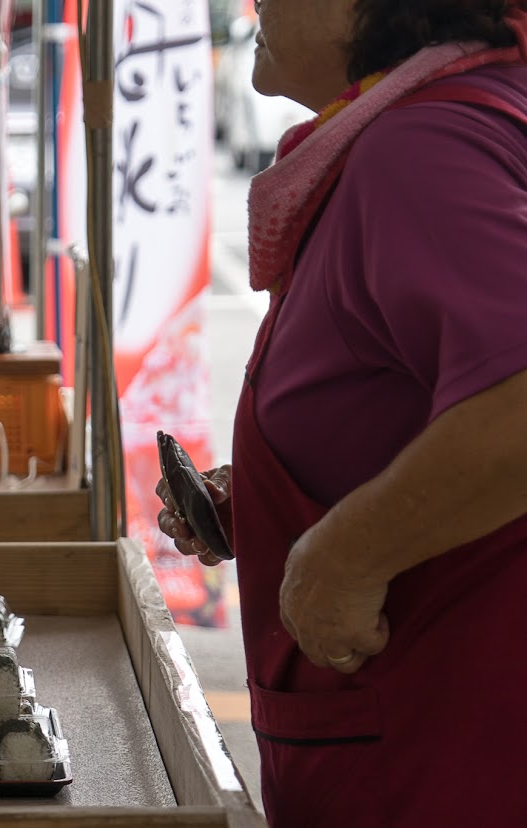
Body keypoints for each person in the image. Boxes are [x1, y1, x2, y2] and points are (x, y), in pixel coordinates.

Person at [157, 0, 527, 824]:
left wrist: (345, 556)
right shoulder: (460, 113)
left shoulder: (423, 148)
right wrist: (273, 498)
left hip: (440, 755)